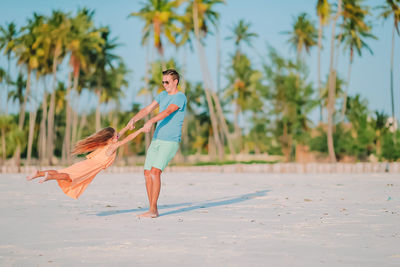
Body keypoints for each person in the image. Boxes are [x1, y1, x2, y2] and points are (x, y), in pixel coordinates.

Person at [127, 69, 187, 218]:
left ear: (175, 82)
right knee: (147, 172)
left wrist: (150, 121)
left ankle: (153, 210)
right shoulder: (162, 95)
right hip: (157, 139)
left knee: (155, 172)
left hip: (170, 141)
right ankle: (152, 208)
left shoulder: (180, 97)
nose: (164, 84)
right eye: (163, 82)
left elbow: (167, 112)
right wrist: (134, 119)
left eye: (167, 82)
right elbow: (148, 109)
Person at [26, 126, 143, 199]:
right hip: (89, 168)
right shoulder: (112, 147)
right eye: (115, 135)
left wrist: (128, 126)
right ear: (111, 138)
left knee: (63, 171)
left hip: (85, 164)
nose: (117, 136)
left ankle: (39, 173)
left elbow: (120, 134)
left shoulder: (106, 143)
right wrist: (141, 130)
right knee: (70, 178)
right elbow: (128, 139)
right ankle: (50, 176)